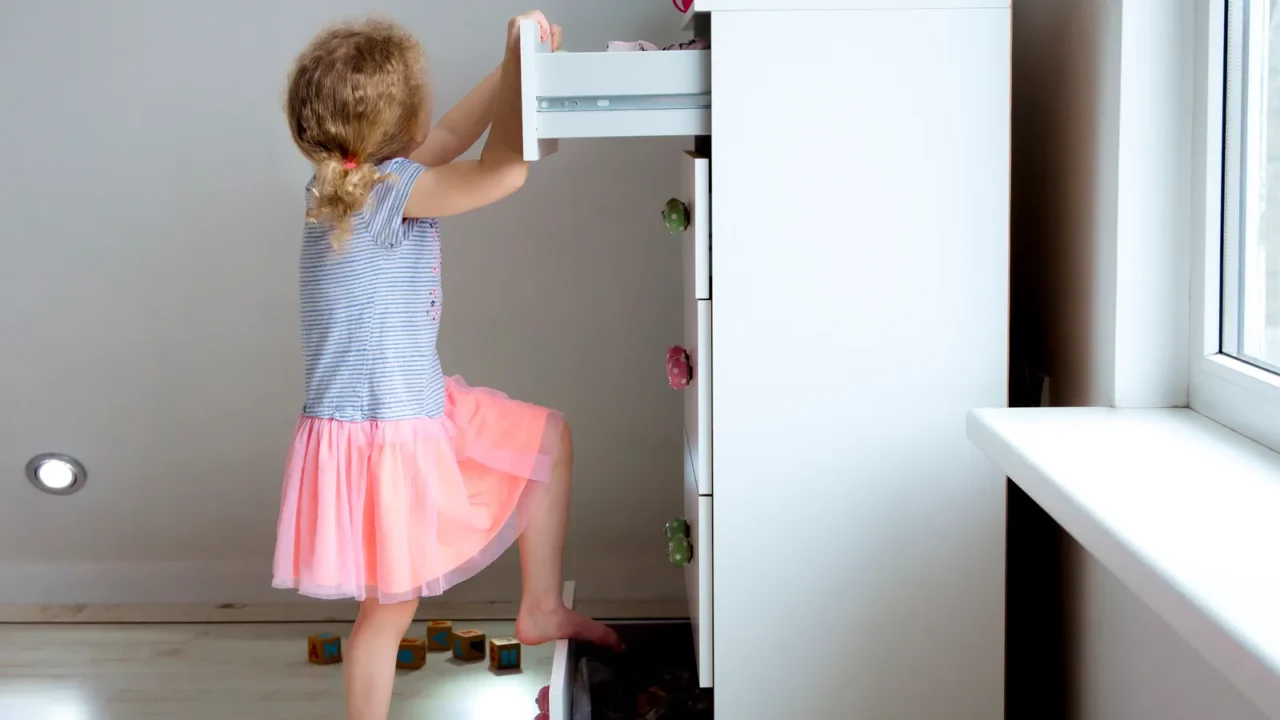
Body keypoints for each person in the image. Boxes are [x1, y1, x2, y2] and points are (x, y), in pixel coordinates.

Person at [272, 12, 622, 719]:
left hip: (413, 407)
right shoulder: (386, 192)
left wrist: (512, 62)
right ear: (398, 122)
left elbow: (457, 136)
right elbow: (502, 171)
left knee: (547, 438)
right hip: (384, 433)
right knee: (386, 611)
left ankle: (542, 607)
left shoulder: (345, 181)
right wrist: (521, 68)